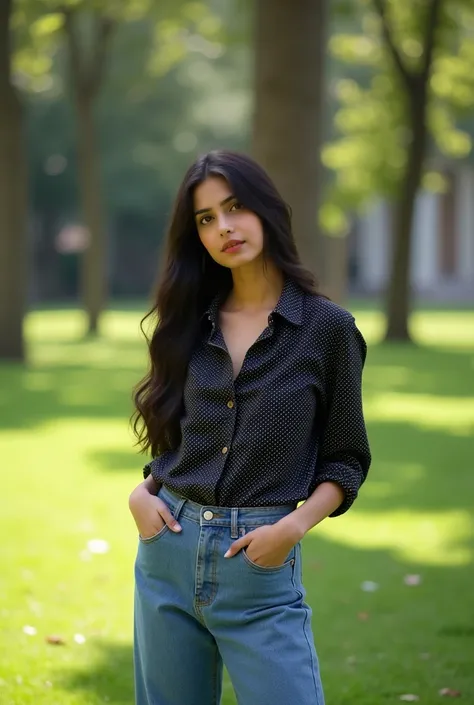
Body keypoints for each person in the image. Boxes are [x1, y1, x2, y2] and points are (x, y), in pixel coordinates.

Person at [128, 150, 371, 705]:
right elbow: (173, 434)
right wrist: (142, 494)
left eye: (234, 207)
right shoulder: (187, 321)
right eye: (206, 218)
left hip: (261, 564)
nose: (224, 228)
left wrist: (292, 528)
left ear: (266, 210)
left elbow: (346, 460)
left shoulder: (328, 330)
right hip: (166, 549)